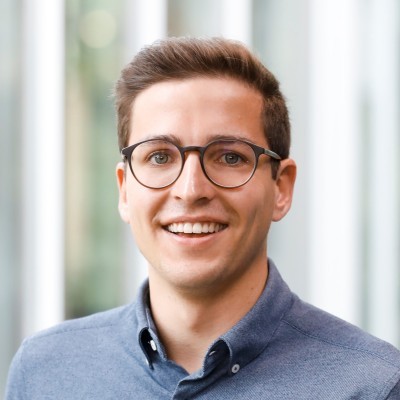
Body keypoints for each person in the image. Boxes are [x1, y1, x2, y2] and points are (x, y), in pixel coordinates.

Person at [5, 37, 400, 399]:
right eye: (159, 156)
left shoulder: (374, 386)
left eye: (229, 157)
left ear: (281, 187)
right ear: (125, 190)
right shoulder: (43, 373)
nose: (191, 189)